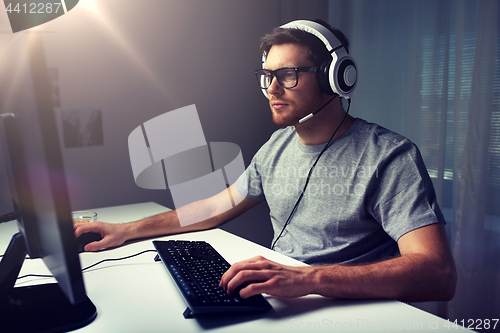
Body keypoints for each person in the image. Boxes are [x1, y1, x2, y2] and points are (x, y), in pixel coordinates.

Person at [75, 20, 456, 302]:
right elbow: (213, 207)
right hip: (279, 298)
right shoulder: (276, 146)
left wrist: (308, 279)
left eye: (287, 75)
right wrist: (128, 230)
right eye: (267, 75)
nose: (271, 88)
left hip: (344, 310)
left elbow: (438, 274)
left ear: (335, 78)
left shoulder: (389, 156)